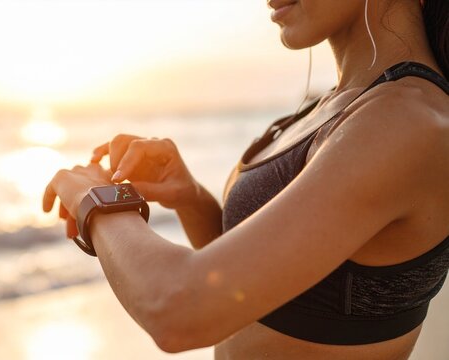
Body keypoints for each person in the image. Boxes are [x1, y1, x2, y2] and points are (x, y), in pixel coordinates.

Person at [43, 0, 449, 358]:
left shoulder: (406, 121)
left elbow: (178, 311)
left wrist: (97, 200)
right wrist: (191, 198)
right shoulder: (342, 105)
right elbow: (261, 291)